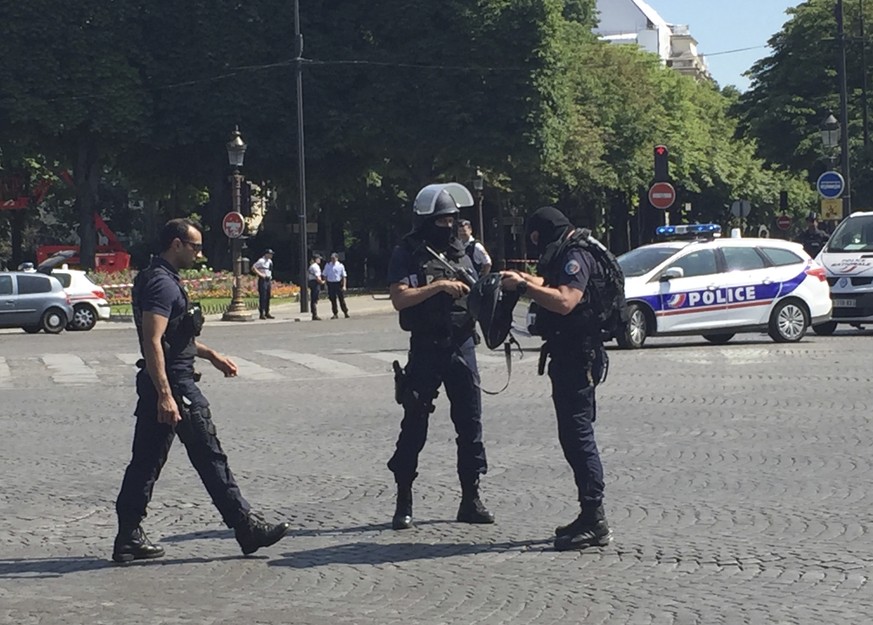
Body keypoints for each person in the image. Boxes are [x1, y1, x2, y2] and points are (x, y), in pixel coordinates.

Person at [112, 218, 289, 563]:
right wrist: (166, 393)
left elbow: (176, 337)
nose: (200, 253)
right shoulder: (162, 284)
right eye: (195, 246)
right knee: (210, 457)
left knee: (145, 463)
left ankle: (128, 536)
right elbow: (152, 341)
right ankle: (246, 528)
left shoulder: (158, 277)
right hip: (175, 385)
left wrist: (211, 355)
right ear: (176, 244)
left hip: (164, 381)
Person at [500, 206, 612, 551]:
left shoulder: (576, 254)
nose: (536, 246)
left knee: (579, 438)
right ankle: (588, 513)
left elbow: (565, 300)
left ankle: (595, 519)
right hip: (571, 354)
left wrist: (525, 287)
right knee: (573, 436)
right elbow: (554, 284)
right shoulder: (573, 248)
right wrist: (524, 281)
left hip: (577, 357)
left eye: (536, 238)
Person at [386, 182, 494, 530]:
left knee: (470, 423)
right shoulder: (407, 252)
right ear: (427, 220)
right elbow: (400, 298)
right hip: (427, 345)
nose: (449, 226)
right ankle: (404, 500)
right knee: (415, 422)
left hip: (462, 344)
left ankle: (471, 498)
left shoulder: (465, 253)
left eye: (452, 219)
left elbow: (481, 292)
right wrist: (439, 286)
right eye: (442, 220)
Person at [323, 252, 350, 319]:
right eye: (332, 258)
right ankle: (335, 313)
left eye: (334, 258)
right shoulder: (328, 265)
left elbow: (344, 276)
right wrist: (325, 284)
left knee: (341, 299)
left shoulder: (340, 265)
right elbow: (325, 275)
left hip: (338, 283)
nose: (333, 260)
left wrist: (344, 285)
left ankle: (345, 312)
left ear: (337, 258)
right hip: (331, 284)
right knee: (333, 299)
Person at [252, 248, 275, 319]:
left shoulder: (270, 261)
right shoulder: (261, 261)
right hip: (263, 279)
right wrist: (261, 274)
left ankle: (267, 312)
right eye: (270, 254)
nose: (271, 255)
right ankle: (262, 313)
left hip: (268, 279)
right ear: (266, 254)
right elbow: (253, 268)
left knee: (268, 296)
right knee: (263, 296)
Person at [307, 253, 325, 321]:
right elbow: (317, 277)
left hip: (312, 282)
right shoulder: (315, 266)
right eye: (319, 259)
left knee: (313, 298)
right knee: (314, 299)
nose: (320, 260)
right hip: (315, 282)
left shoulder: (312, 266)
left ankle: (314, 313)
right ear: (316, 259)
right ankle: (315, 314)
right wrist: (322, 282)